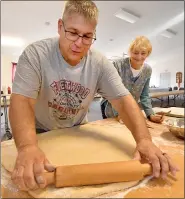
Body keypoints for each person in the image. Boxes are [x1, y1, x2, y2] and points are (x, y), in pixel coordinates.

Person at [9, 0, 178, 191]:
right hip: (40, 131)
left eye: (87, 36)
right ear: (59, 26)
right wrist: (27, 147)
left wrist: (145, 140)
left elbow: (123, 101)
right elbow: (22, 101)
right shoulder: (36, 55)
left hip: (77, 129)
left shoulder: (99, 63)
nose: (79, 43)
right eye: (72, 32)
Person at [101, 36, 164, 123]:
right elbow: (112, 92)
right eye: (135, 53)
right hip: (111, 107)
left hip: (130, 109)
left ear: (148, 54)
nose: (139, 57)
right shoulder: (118, 65)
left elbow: (144, 95)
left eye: (143, 53)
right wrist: (120, 114)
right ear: (130, 52)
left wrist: (150, 114)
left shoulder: (147, 70)